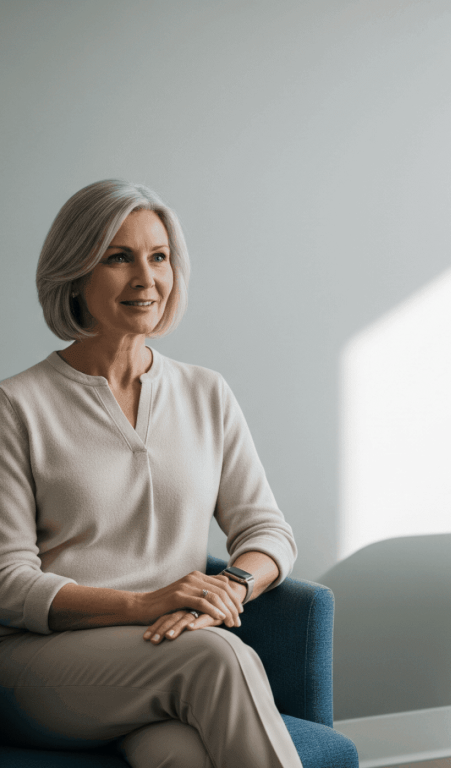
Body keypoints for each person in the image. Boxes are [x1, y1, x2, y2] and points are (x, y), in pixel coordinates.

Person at [0, 180, 303, 767]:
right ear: (74, 274)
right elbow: (8, 584)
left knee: (186, 758)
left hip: (163, 653)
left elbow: (268, 532)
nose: (147, 279)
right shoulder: (15, 407)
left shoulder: (206, 392)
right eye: (119, 258)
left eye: (158, 257)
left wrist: (230, 588)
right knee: (220, 656)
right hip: (39, 667)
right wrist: (143, 605)